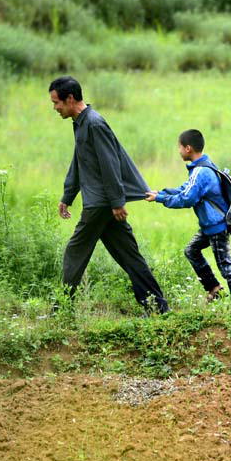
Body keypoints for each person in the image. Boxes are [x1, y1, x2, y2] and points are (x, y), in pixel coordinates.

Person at [51, 76, 168, 314]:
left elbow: (110, 163)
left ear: (70, 98)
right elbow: (79, 162)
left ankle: (61, 310)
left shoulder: (94, 123)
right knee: (129, 255)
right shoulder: (80, 123)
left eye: (56, 103)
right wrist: (68, 195)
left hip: (101, 204)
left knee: (75, 251)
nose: (55, 108)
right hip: (103, 202)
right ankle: (158, 308)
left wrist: (116, 202)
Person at [145, 129, 231, 316]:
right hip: (210, 226)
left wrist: (160, 199)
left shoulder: (201, 171)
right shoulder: (203, 167)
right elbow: (184, 189)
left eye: (179, 147)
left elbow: (187, 198)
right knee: (191, 250)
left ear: (188, 148)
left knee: (226, 266)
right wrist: (161, 193)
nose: (178, 151)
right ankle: (214, 289)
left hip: (216, 226)